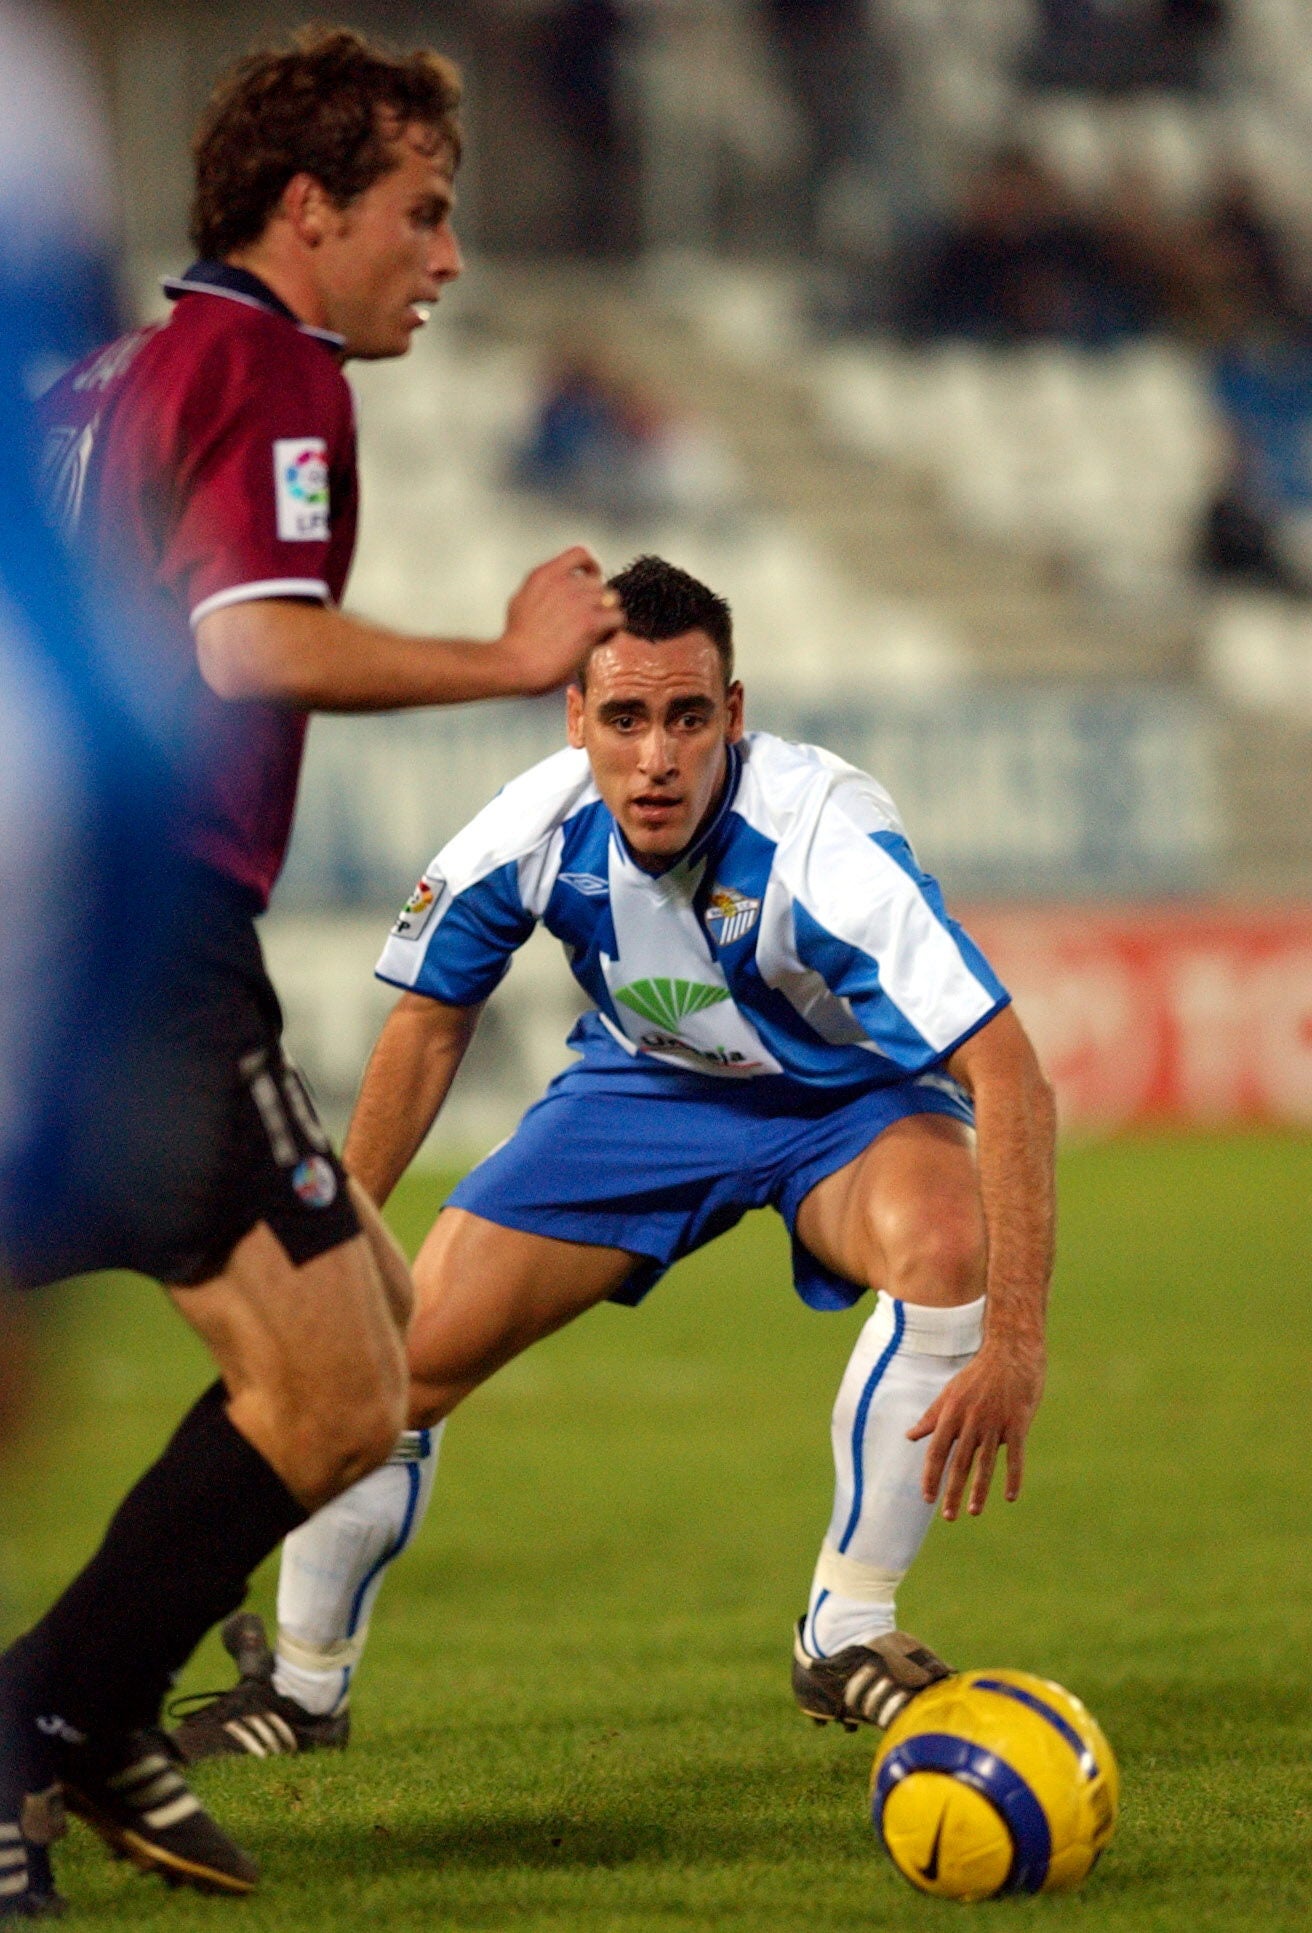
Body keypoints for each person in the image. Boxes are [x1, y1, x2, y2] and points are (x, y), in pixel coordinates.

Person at [0, 25, 621, 1917]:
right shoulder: (270, 367)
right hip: (147, 925)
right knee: (348, 1387)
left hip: (92, 916)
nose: (443, 260)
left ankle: (77, 1713)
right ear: (308, 209)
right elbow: (246, 651)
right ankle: (40, 1729)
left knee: (361, 1313)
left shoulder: (115, 364)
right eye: (421, 216)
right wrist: (514, 658)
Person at [173, 554, 1056, 1767]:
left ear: (732, 717)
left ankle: (845, 1628)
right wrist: (335, 1244)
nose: (657, 755)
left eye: (688, 717)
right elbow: (429, 1020)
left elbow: (1005, 1068)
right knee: (392, 1358)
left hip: (846, 1103)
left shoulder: (823, 843)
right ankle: (306, 1691)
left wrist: (1012, 1335)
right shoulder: (531, 828)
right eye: (627, 718)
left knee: (947, 1248)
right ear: (575, 716)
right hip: (642, 1091)